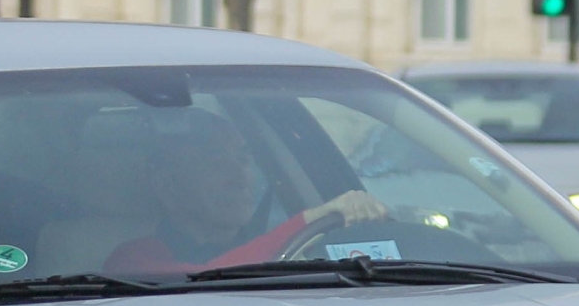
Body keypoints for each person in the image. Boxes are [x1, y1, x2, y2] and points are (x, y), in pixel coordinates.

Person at [106, 109, 388, 274]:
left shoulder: (305, 249)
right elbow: (203, 281)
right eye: (215, 161)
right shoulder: (133, 261)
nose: (240, 176)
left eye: (243, 159)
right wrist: (306, 222)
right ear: (166, 185)